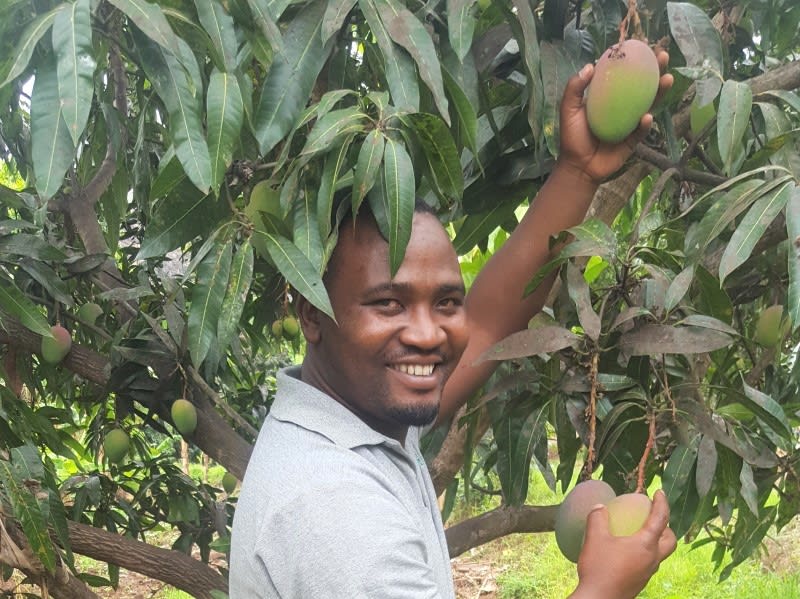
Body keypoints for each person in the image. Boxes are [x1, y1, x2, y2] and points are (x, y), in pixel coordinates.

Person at [230, 52, 677, 598]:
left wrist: (577, 173)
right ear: (310, 312)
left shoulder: (353, 416)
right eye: (388, 304)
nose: (427, 334)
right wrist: (604, 588)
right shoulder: (338, 513)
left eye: (445, 302)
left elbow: (487, 323)